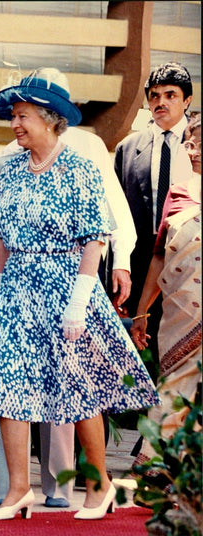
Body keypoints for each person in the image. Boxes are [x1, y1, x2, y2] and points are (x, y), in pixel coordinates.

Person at [0, 68, 157, 521]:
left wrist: (80, 301)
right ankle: (18, 489)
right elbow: (3, 236)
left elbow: (93, 239)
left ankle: (98, 489)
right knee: (11, 386)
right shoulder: (10, 170)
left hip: (68, 288)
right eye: (14, 117)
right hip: (20, 284)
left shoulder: (80, 167)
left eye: (23, 116)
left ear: (50, 119)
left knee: (78, 390)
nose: (15, 125)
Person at [131, 114, 201, 465]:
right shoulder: (178, 194)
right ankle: (159, 465)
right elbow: (159, 256)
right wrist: (143, 310)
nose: (194, 148)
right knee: (174, 380)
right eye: (191, 140)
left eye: (200, 140)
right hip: (179, 311)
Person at [115, 62, 194, 368]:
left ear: (187, 100)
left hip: (188, 261)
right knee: (138, 355)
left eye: (170, 95)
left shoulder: (197, 144)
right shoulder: (127, 148)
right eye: (154, 96)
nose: (161, 102)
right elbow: (118, 217)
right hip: (142, 261)